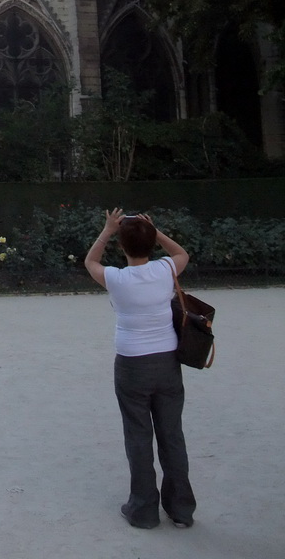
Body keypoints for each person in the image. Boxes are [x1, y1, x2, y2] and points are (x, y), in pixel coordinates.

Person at [84, 207, 196, 530]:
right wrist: (153, 230)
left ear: (121, 247)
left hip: (132, 363)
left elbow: (90, 262)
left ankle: (144, 510)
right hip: (167, 361)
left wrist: (107, 230)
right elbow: (182, 253)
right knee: (172, 434)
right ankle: (181, 510)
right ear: (151, 244)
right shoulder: (165, 270)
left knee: (138, 436)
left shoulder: (117, 278)